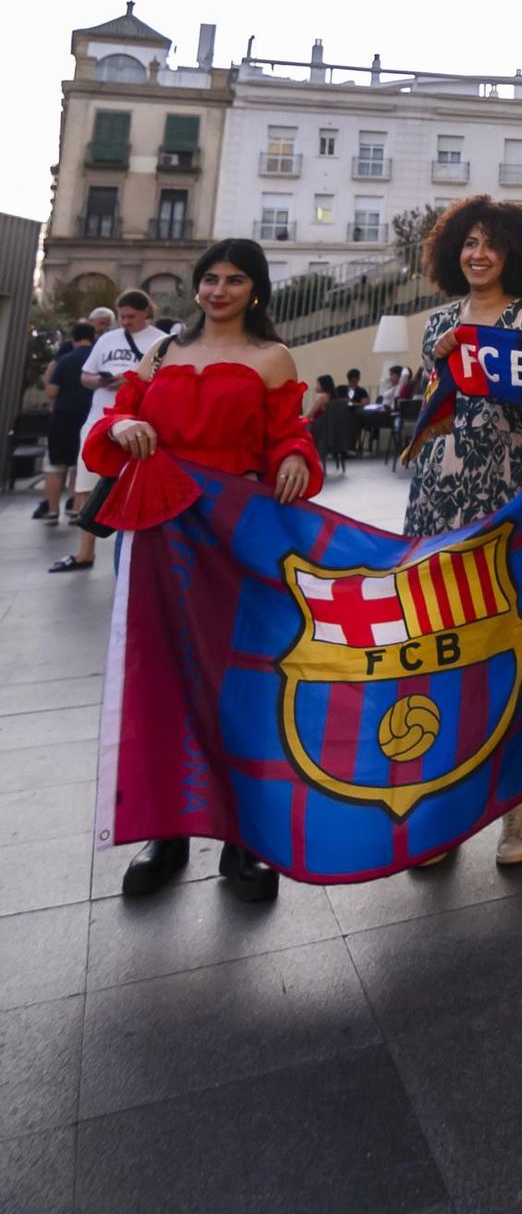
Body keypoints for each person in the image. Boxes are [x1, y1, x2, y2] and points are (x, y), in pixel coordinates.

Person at [81, 238, 320, 903]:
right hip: (158, 532)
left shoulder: (272, 358)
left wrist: (296, 455)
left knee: (239, 682)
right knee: (161, 679)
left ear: (256, 289)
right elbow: (118, 416)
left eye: (234, 279)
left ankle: (243, 844)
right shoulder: (162, 353)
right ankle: (169, 831)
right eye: (209, 278)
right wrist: (127, 424)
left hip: (234, 533)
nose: (218, 290)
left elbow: (288, 431)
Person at [406, 195, 522, 869]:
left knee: (506, 647)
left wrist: (490, 355)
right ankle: (443, 813)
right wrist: (445, 361)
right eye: (468, 243)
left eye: (491, 244)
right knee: (442, 652)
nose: (478, 254)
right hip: (438, 499)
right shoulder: (437, 322)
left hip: (510, 494)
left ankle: (516, 812)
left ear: (514, 252)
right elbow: (434, 410)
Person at [51, 290, 169, 574]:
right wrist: (101, 381)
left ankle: (136, 553)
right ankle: (85, 550)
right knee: (86, 486)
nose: (126, 322)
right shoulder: (107, 339)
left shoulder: (161, 341)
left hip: (141, 424)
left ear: (145, 313)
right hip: (100, 421)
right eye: (122, 316)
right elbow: (85, 376)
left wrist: (129, 382)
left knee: (137, 489)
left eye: (131, 316)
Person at [37, 323, 97, 526]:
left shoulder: (64, 360)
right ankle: (76, 509)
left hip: (63, 417)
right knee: (78, 465)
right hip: (88, 416)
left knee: (55, 465)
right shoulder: (96, 358)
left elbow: (52, 392)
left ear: (73, 339)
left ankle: (53, 511)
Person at [308, 373, 343, 474]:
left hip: (318, 431)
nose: (316, 386)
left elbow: (310, 414)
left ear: (323, 385)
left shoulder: (323, 397)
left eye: (317, 383)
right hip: (330, 431)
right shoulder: (335, 397)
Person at [339, 367, 371, 456]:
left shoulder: (361, 391)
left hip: (355, 416)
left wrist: (355, 404)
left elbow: (365, 403)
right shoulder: (341, 389)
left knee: (354, 423)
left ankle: (350, 447)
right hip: (343, 415)